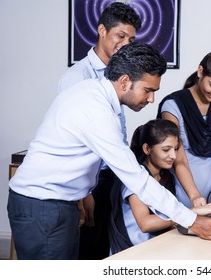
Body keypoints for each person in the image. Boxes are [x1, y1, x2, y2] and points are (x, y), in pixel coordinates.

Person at [7, 43, 211, 260]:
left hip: (56, 203)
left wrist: (80, 196)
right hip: (42, 205)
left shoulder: (93, 93)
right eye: (148, 90)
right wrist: (191, 220)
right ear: (124, 82)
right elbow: (136, 178)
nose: (151, 99)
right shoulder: (97, 112)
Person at [58, 2, 141, 259]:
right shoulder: (78, 77)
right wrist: (85, 192)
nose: (125, 44)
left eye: (131, 38)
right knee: (87, 250)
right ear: (102, 30)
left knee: (106, 250)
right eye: (120, 36)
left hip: (111, 176)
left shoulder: (118, 74)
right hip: (90, 180)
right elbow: (71, 141)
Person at [109, 119, 211, 255]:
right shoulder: (136, 180)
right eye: (166, 150)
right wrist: (194, 212)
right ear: (147, 149)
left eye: (175, 149)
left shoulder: (165, 175)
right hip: (133, 253)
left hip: (158, 246)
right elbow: (146, 224)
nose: (173, 156)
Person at [157, 50, 211, 215]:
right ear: (200, 71)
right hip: (185, 192)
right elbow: (178, 159)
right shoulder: (174, 105)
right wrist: (195, 196)